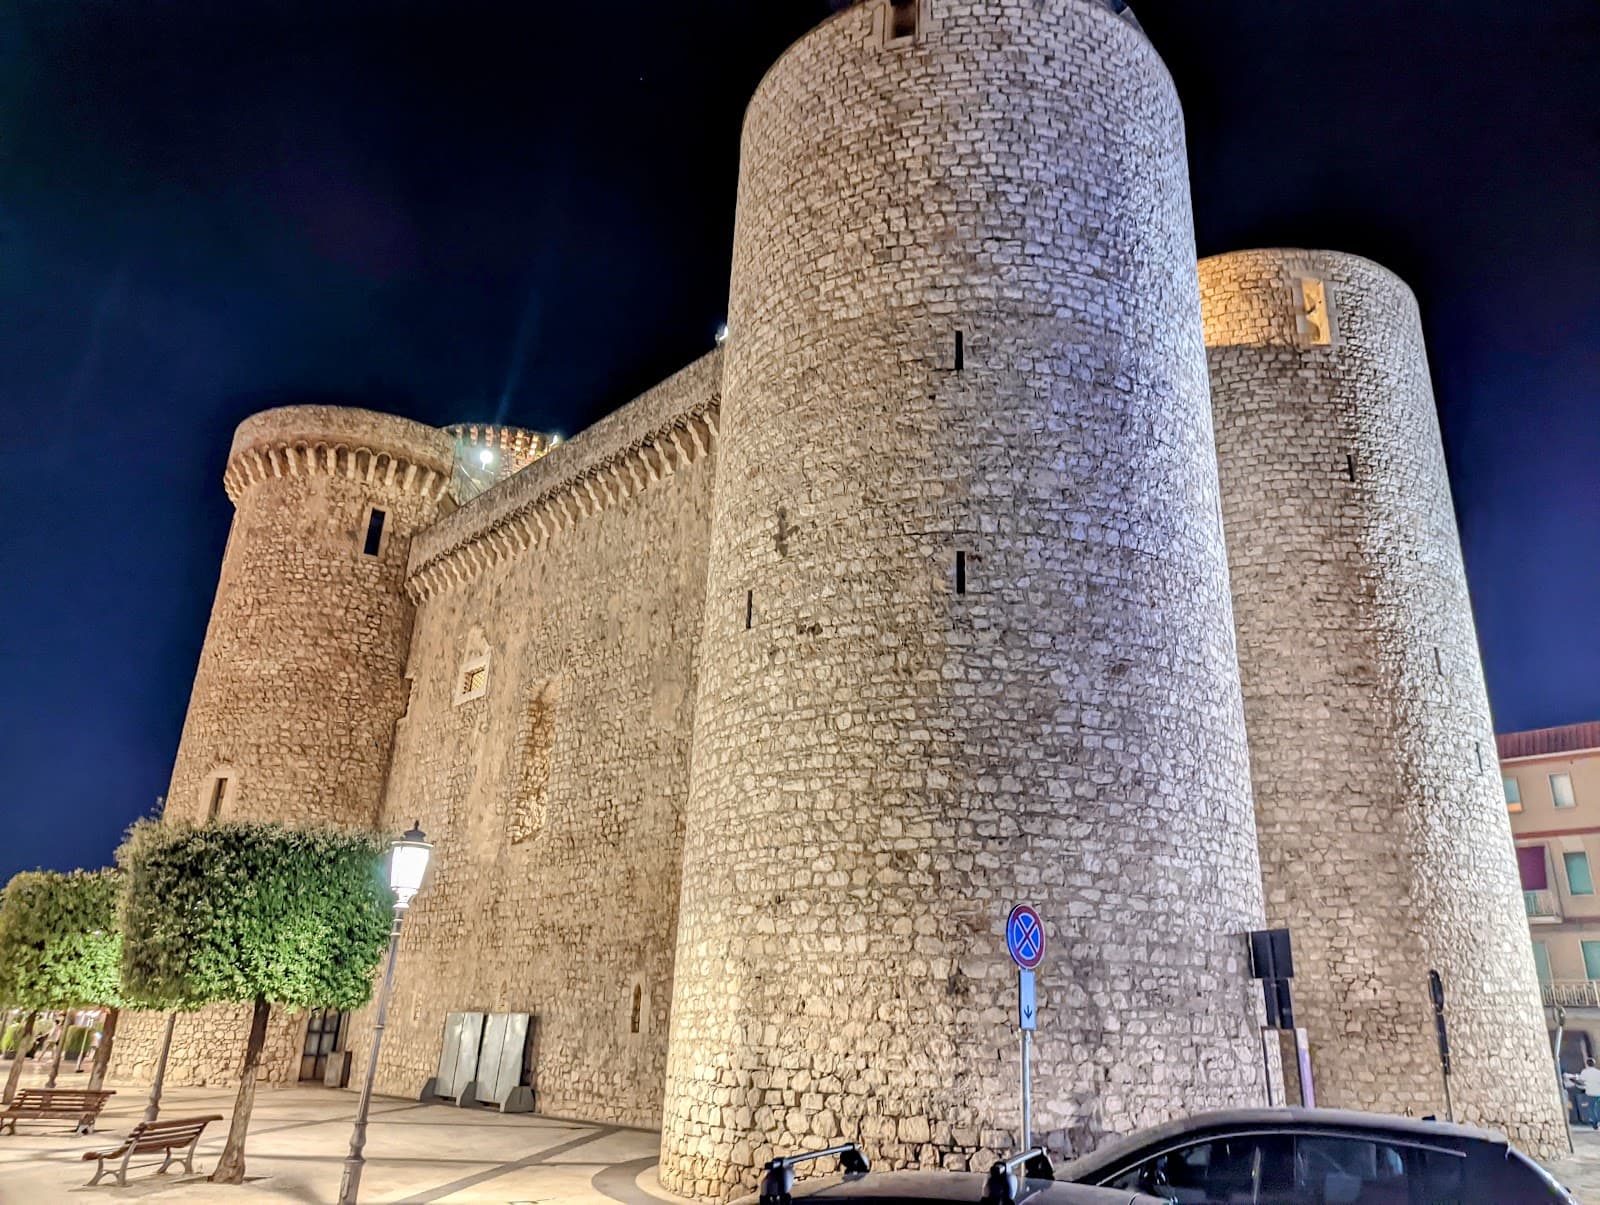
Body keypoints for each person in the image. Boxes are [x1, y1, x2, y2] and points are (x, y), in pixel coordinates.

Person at [1577, 1058, 1600, 1128]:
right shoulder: (1598, 1072)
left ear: (1587, 1064)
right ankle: (1598, 1120)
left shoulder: (1584, 1072)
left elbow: (1581, 1081)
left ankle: (1595, 1122)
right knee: (1598, 1107)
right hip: (1598, 1092)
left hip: (1590, 1092)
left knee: (1591, 1108)